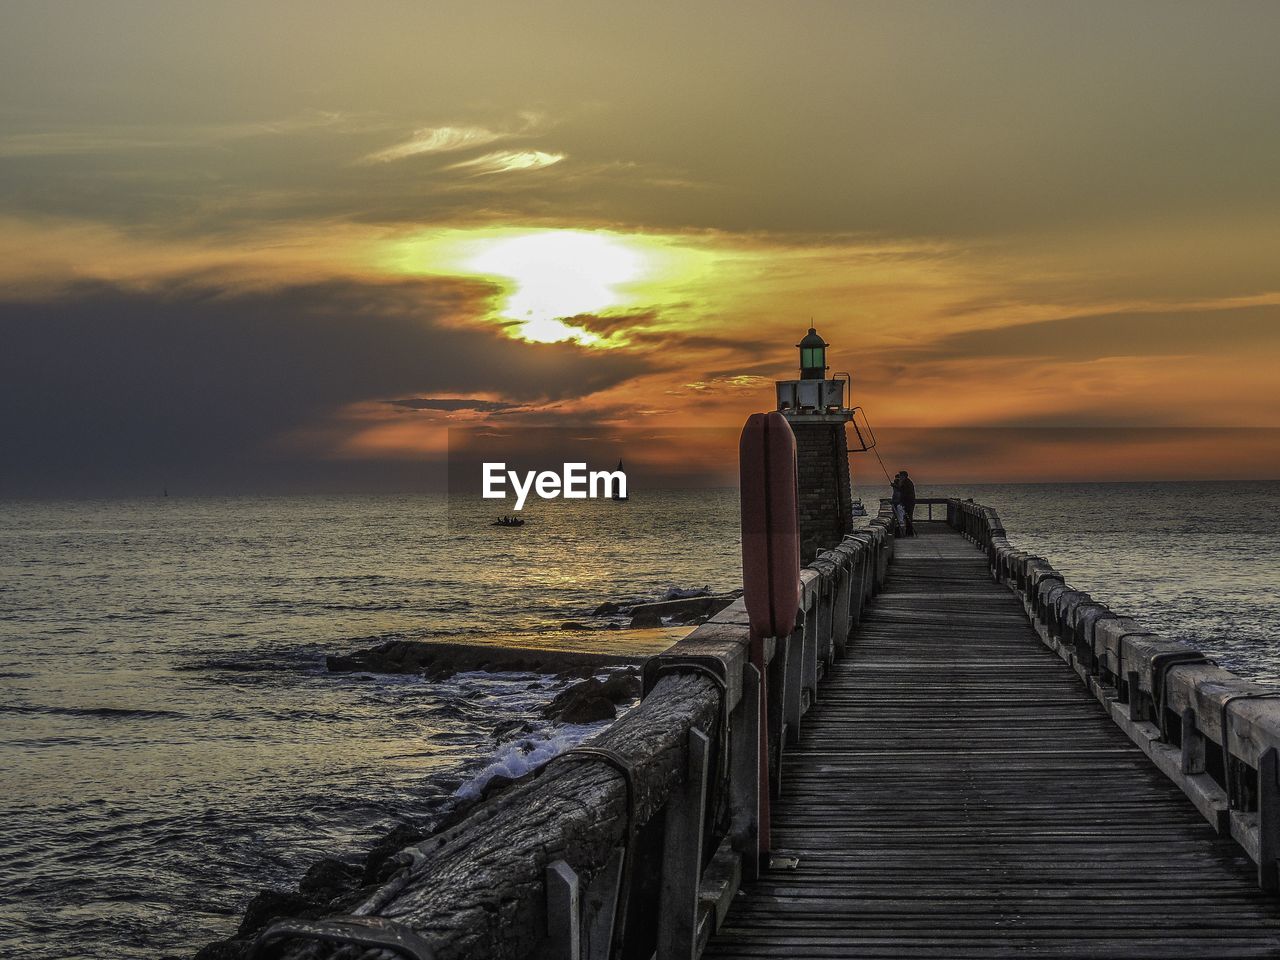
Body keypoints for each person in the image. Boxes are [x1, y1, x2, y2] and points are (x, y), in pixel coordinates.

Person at [899, 470, 916, 537]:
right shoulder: (907, 482)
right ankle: (908, 532)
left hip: (909, 503)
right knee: (908, 517)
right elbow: (902, 490)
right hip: (909, 502)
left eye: (900, 476)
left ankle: (910, 532)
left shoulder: (906, 482)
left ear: (904, 476)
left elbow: (904, 492)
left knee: (908, 517)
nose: (900, 477)